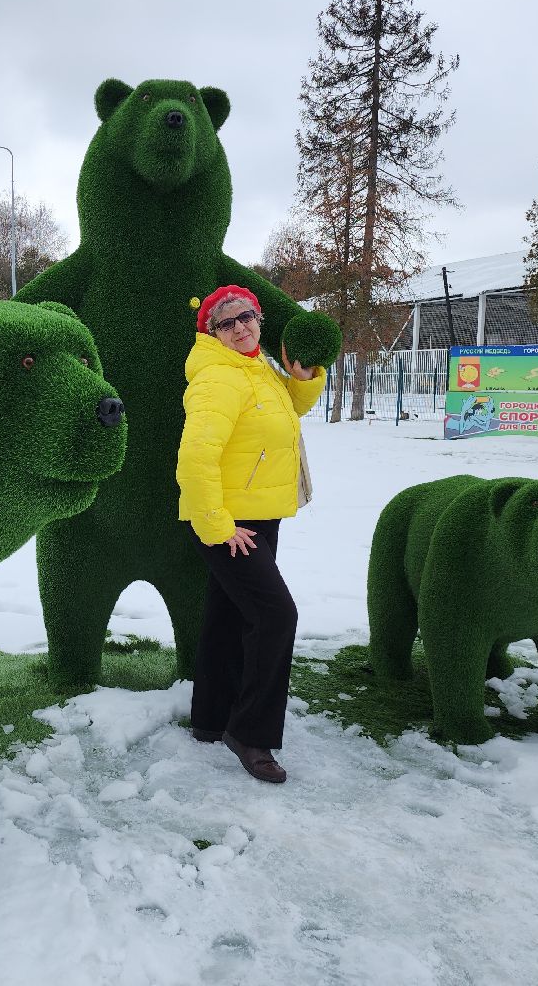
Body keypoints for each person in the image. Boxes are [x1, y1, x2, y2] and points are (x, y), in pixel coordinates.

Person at [175, 285, 327, 783]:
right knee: (275, 616)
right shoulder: (218, 377)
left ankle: (211, 719)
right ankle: (251, 733)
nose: (241, 328)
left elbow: (281, 417)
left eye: (248, 317)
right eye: (228, 322)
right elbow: (196, 458)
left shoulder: (258, 368)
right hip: (230, 521)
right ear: (212, 332)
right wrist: (218, 526)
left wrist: (301, 381)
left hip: (258, 515)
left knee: (227, 615)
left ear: (259, 321)